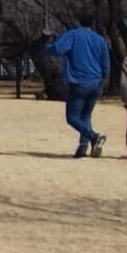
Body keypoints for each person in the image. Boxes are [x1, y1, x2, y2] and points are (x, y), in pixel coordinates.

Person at [45, 22, 111, 158]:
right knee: (85, 116)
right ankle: (82, 148)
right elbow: (106, 65)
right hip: (96, 82)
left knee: (72, 117)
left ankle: (94, 137)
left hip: (79, 82)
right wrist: (102, 79)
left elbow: (57, 50)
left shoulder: (73, 35)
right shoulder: (100, 39)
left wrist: (46, 46)